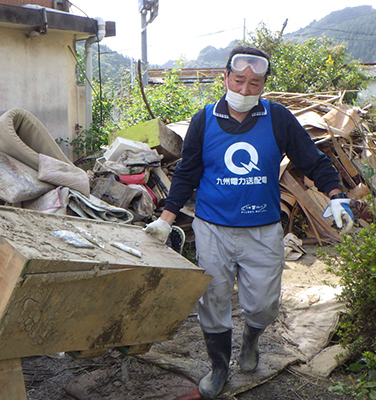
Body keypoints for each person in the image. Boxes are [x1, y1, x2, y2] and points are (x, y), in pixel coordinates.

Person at [144, 46, 354, 399]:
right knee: (213, 300)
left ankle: (252, 339)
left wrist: (335, 194)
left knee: (264, 304)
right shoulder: (203, 120)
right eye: (238, 80)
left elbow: (313, 160)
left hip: (263, 230)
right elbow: (187, 173)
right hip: (213, 228)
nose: (244, 90)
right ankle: (219, 367)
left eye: (254, 83)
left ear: (263, 85)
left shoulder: (278, 118)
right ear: (224, 78)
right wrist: (165, 219)